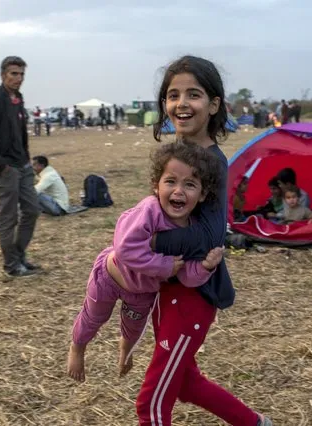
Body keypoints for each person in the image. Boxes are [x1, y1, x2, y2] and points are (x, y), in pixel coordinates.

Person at [138, 55, 272, 426]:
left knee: (151, 405)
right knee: (185, 383)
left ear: (213, 104)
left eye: (193, 94)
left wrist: (147, 245)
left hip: (192, 296)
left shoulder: (213, 160)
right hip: (166, 289)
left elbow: (210, 235)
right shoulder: (173, 156)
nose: (181, 103)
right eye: (172, 94)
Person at [66, 142, 224, 383]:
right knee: (94, 317)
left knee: (133, 329)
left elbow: (185, 276)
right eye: (170, 181)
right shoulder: (149, 210)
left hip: (142, 294)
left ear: (202, 194)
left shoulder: (192, 231)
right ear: (156, 185)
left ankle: (124, 351)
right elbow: (126, 247)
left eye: (189, 184)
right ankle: (77, 347)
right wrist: (163, 266)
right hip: (109, 277)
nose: (178, 191)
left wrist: (205, 267)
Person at [0, 56, 41, 278]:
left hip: (22, 165)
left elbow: (20, 134)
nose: (18, 78)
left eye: (21, 74)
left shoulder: (18, 99)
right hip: (4, 168)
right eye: (14, 73)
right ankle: (11, 265)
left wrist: (27, 160)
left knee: (32, 210)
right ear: (3, 74)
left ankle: (19, 255)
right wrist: (2, 167)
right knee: (8, 217)